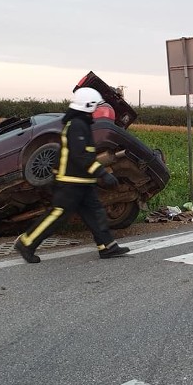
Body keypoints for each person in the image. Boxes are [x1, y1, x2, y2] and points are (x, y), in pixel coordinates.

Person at [14, 87, 130, 263]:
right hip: (71, 184)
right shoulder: (77, 125)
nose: (98, 110)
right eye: (96, 106)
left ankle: (107, 246)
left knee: (95, 213)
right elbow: (81, 155)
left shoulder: (80, 123)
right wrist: (102, 174)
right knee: (58, 215)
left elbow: (67, 153)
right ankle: (26, 243)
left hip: (83, 182)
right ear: (88, 105)